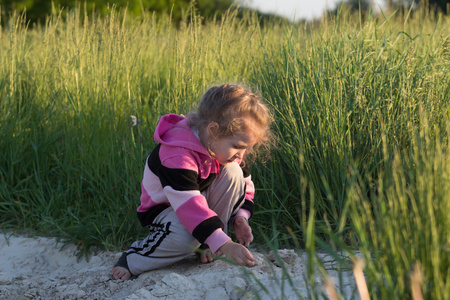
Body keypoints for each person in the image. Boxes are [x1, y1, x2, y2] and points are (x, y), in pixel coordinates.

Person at [111, 84, 272, 281]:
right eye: (237, 146)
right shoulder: (176, 154)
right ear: (213, 131)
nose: (241, 154)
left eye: (246, 148)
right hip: (166, 210)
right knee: (185, 237)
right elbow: (189, 206)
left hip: (199, 203)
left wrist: (240, 218)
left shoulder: (224, 150)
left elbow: (244, 186)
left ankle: (208, 242)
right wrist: (226, 244)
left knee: (233, 172)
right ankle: (134, 258)